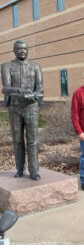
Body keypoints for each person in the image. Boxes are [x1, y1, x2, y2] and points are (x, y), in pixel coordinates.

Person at [1, 40, 44, 180]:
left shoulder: (35, 66)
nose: (22, 51)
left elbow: (40, 88)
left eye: (25, 48)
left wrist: (32, 95)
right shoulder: (7, 66)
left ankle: (34, 171)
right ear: (14, 50)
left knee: (33, 140)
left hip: (31, 107)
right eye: (19, 49)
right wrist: (20, 91)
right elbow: (6, 88)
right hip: (15, 107)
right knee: (17, 140)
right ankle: (20, 168)